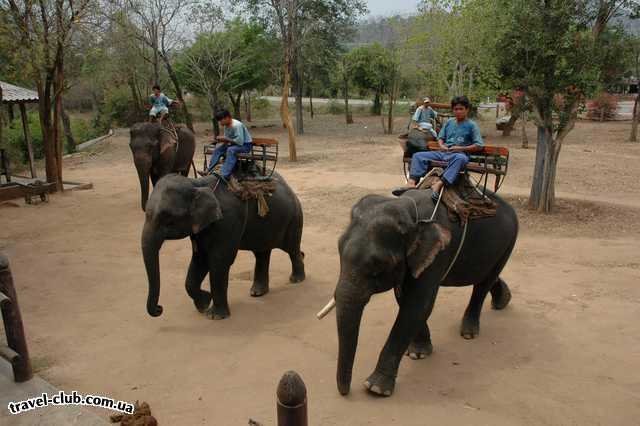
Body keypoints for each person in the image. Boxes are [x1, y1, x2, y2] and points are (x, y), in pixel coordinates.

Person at [393, 95, 483, 200]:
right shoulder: (449, 122)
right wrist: (441, 145)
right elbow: (440, 137)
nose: (458, 111)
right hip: (443, 152)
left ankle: (439, 184)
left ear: (467, 110)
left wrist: (460, 148)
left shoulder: (472, 125)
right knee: (418, 156)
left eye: (461, 109)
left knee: (461, 159)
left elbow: (479, 145)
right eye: (455, 109)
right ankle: (411, 182)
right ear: (453, 110)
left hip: (458, 155)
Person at [207, 109, 252, 179]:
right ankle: (209, 170)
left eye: (221, 120)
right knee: (218, 149)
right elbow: (227, 139)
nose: (220, 122)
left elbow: (240, 142)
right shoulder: (226, 126)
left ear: (227, 118)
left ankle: (224, 174)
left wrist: (226, 139)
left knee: (231, 150)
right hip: (235, 145)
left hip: (245, 146)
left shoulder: (237, 125)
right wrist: (219, 141)